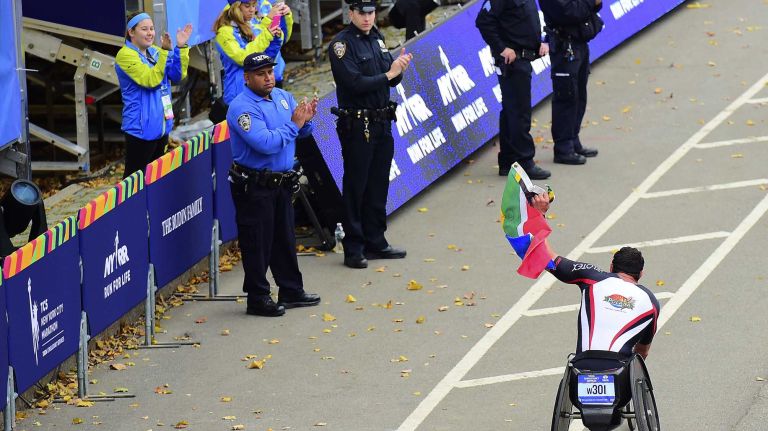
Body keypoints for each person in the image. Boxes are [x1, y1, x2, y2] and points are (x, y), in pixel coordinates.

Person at [226, 52, 321, 317]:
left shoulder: (282, 97)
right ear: (247, 78)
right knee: (258, 241)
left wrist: (306, 120)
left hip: (281, 181)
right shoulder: (241, 107)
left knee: (284, 237)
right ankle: (257, 297)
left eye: (270, 72)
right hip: (254, 184)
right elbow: (265, 143)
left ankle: (291, 289)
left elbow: (299, 133)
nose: (268, 78)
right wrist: (294, 124)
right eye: (261, 74)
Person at [329, 0, 414, 269]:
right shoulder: (341, 45)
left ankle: (376, 240)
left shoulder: (376, 38)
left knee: (378, 184)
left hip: (381, 121)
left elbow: (389, 76)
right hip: (357, 125)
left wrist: (398, 68)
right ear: (351, 13)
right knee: (357, 186)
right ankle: (354, 247)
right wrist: (390, 74)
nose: (367, 18)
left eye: (371, 13)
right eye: (362, 13)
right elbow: (354, 83)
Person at [531, 192, 660, 370]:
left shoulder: (592, 277)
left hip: (583, 365)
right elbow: (642, 352)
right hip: (619, 372)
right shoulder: (650, 301)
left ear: (611, 267)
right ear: (641, 274)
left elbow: (548, 258)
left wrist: (538, 214)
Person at [476, 0, 551, 179]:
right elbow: (483, 21)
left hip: (523, 58)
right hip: (512, 62)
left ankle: (508, 160)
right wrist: (501, 48)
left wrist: (540, 41)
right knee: (519, 112)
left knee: (511, 111)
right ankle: (524, 161)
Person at [116, 12, 192, 178]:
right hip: (141, 129)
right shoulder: (125, 55)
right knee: (135, 183)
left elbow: (177, 76)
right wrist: (165, 52)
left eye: (151, 28)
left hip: (161, 126)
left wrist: (181, 48)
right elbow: (150, 80)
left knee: (157, 178)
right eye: (144, 29)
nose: (150, 33)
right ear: (131, 32)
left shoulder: (155, 51)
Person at [539, 0, 602, 166]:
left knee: (579, 96)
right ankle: (563, 148)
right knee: (566, 97)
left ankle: (573, 140)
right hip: (564, 47)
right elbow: (569, 12)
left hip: (579, 43)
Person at [214, 0, 292, 107]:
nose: (252, 10)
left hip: (261, 90)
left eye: (254, 5)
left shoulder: (252, 23)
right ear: (236, 8)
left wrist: (276, 38)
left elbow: (266, 57)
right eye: (247, 6)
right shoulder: (224, 32)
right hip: (239, 95)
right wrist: (267, 34)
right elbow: (244, 58)